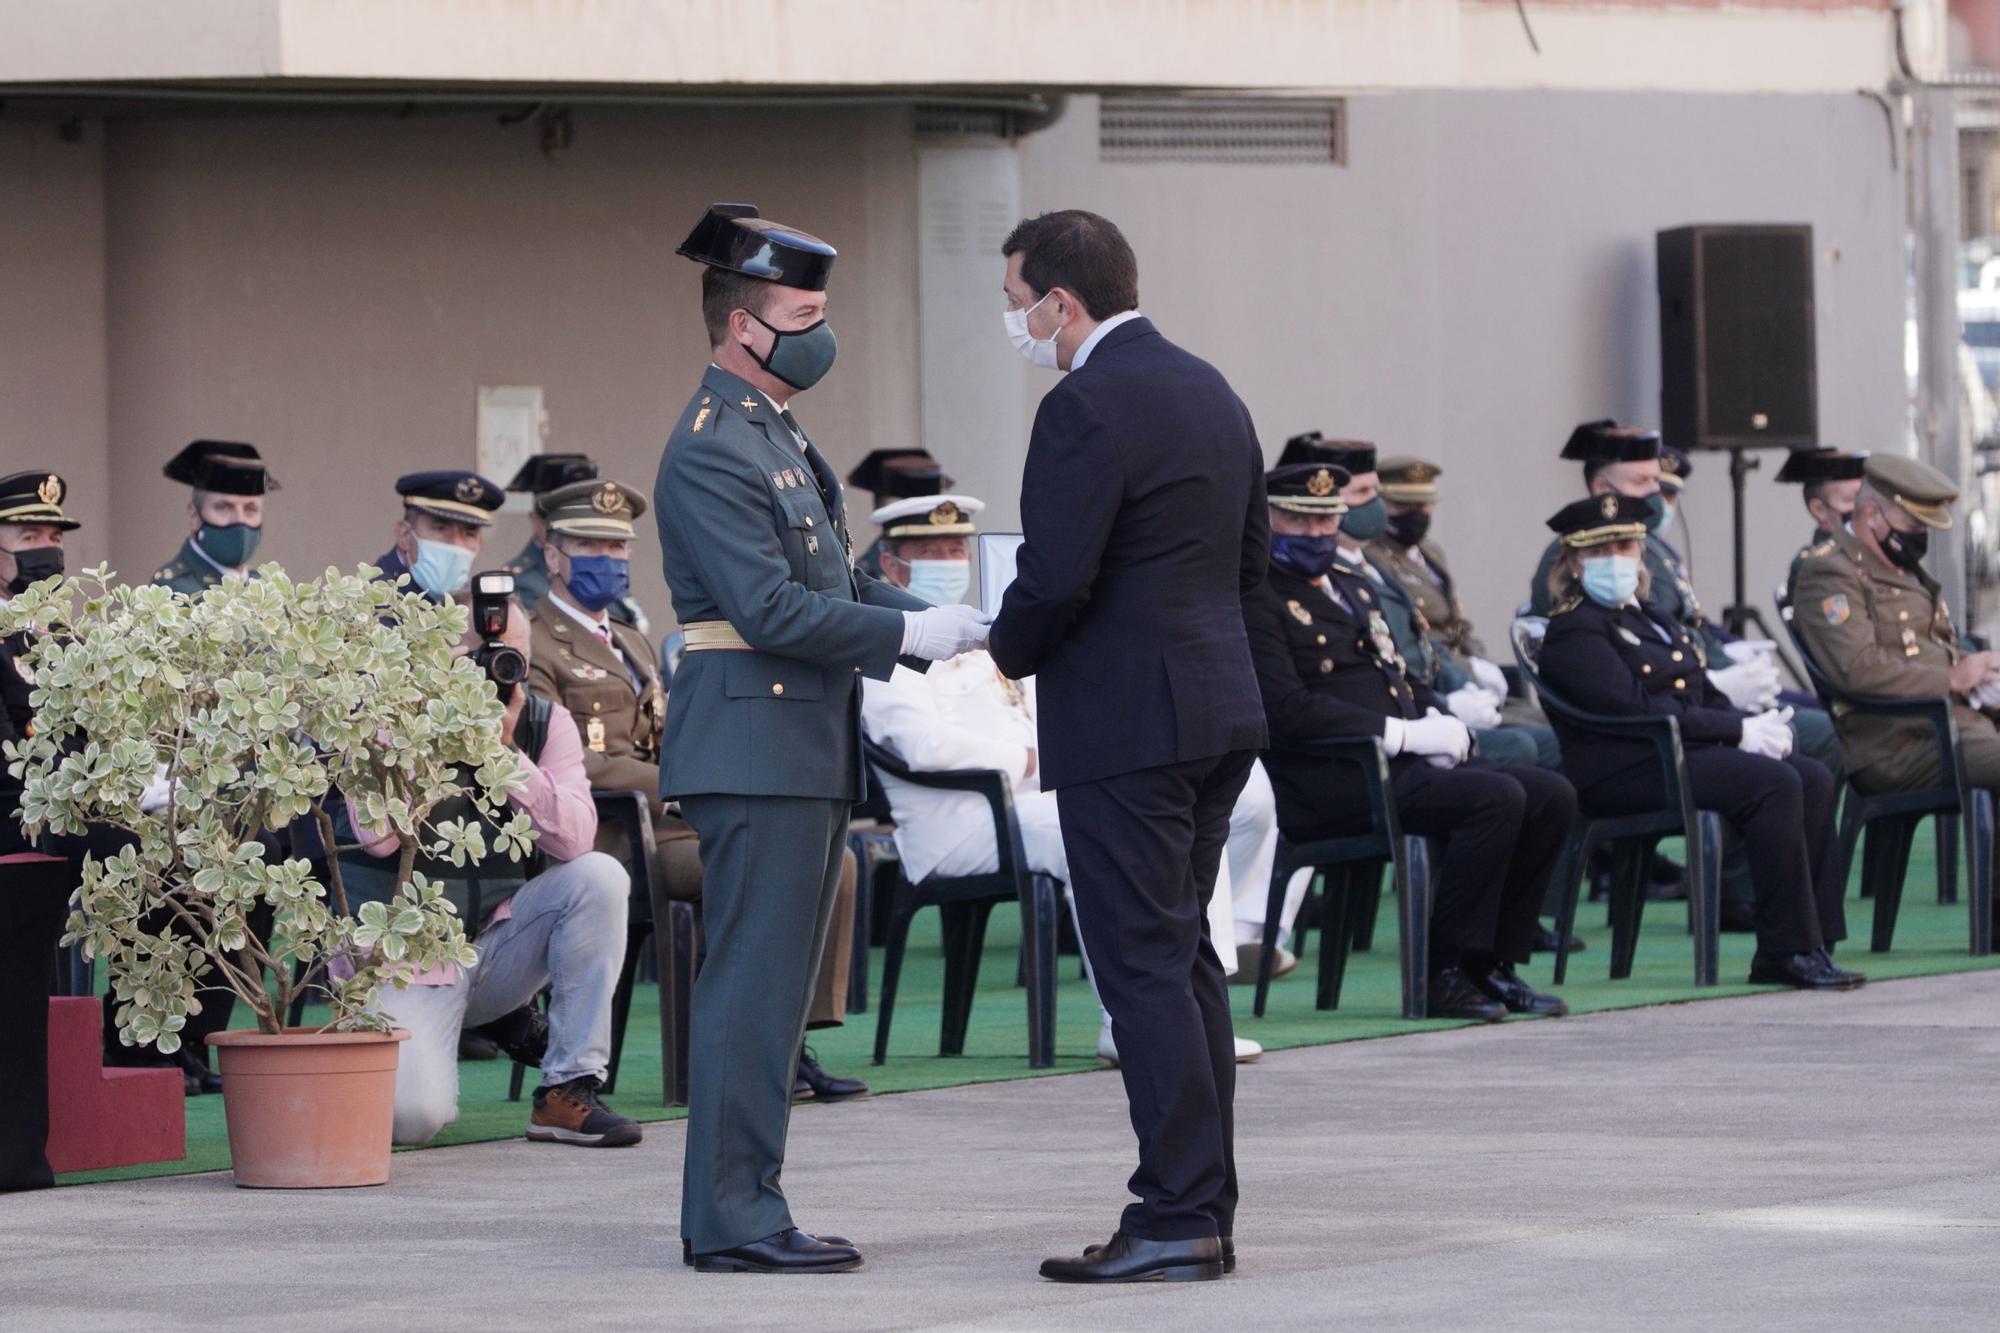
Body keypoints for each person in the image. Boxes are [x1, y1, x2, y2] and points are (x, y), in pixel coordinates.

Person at [655, 203, 986, 1275]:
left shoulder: (775, 433)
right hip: (755, 745)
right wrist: (909, 630)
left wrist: (937, 628)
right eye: (802, 314)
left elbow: (829, 582)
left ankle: (748, 1199)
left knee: (773, 990)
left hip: (793, 742)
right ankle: (733, 1216)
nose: (818, 332)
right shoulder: (713, 448)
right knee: (752, 986)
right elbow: (768, 612)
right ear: (742, 326)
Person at [984, 209, 1265, 1286]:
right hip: (1214, 711)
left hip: (1127, 723)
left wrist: (998, 651)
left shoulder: (1084, 403)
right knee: (1185, 958)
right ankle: (1202, 1207)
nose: (1018, 325)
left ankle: (1172, 1213)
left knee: (1141, 965)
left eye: (1018, 304)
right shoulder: (1208, 387)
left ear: (1063, 301)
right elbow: (1248, 570)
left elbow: (1058, 575)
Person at [857, 491, 1289, 1067]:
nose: (949, 560)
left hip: (1031, 807)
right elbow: (919, 746)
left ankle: (1193, 1007)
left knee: (1168, 813)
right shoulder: (895, 639)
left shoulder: (983, 623)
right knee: (1100, 826)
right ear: (892, 565)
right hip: (960, 822)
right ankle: (1128, 1023)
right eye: (931, 550)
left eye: (956, 548)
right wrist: (1027, 759)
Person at [523, 477, 867, 1099]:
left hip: (675, 820)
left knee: (829, 857)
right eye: (592, 546)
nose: (611, 560)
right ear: (552, 553)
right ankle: (756, 1055)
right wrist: (682, 785)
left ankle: (784, 1043)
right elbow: (566, 762)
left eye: (620, 548)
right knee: (771, 859)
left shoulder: (628, 639)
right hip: (611, 833)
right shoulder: (534, 640)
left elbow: (671, 730)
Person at [1247, 461, 1578, 1021]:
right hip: (1333, 777)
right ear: (1267, 519)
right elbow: (1286, 711)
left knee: (1550, 795)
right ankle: (1442, 970)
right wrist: (1402, 735)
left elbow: (1398, 672)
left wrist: (1440, 719)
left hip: (1397, 767)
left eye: (1327, 522)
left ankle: (1491, 964)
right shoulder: (1256, 596)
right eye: (1298, 522)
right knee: (1496, 800)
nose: (1316, 535)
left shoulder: (1354, 585)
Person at [353, 594, 645, 1147]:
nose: (494, 670)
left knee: (601, 876)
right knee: (412, 1121)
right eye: (480, 655)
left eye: (510, 656)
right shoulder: (385, 718)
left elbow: (575, 837)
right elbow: (379, 839)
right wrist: (436, 739)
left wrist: (503, 753)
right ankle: (471, 1028)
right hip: (409, 959)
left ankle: (567, 1088)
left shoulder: (544, 721)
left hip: (500, 944)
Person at [1535, 494, 1862, 989]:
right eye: (1599, 552)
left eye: (1625, 546)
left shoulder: (1652, 618)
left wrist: (1752, 724)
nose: (1615, 560)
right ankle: (1783, 949)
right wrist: (1736, 732)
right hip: (1627, 770)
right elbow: (1639, 712)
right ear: (1575, 563)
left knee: (1811, 775)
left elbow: (1701, 690)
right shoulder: (1575, 630)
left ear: (1641, 554)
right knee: (1773, 785)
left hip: (1677, 757)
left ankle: (1816, 940)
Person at [1288, 436, 1559, 772]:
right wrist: (1448, 703)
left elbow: (1433, 633)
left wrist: (1468, 676)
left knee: (1553, 749)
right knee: (1526, 754)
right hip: (1391, 724)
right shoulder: (1337, 574)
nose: (1375, 505)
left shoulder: (1365, 567)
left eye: (1375, 492)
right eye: (1363, 494)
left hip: (1428, 695)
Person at [1793, 455, 2000, 799]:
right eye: (1913, 524)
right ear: (1872, 514)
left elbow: (1928, 646)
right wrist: (1951, 679)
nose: (1920, 535)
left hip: (1949, 725)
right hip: (1895, 743)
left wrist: (1982, 676)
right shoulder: (1830, 574)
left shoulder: (1900, 567)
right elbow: (1858, 668)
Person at [503, 452, 650, 632]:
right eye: (585, 543)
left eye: (615, 545)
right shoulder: (520, 582)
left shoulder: (608, 570)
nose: (603, 555)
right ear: (535, 519)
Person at [151, 440, 277, 593]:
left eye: (251, 509)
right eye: (224, 508)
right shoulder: (172, 589)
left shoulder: (265, 586)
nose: (240, 520)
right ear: (194, 516)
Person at [374, 470, 503, 602]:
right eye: (440, 528)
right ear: (404, 535)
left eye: (469, 534)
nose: (457, 544)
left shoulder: (473, 605)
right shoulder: (373, 603)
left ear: (479, 542)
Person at [1774, 448, 1868, 604]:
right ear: (1819, 510)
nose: (1864, 509)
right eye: (1851, 500)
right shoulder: (1816, 567)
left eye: (1866, 498)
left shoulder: (1876, 553)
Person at [845, 448, 954, 580]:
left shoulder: (942, 568)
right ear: (879, 525)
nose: (921, 526)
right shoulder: (862, 581)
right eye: (906, 518)